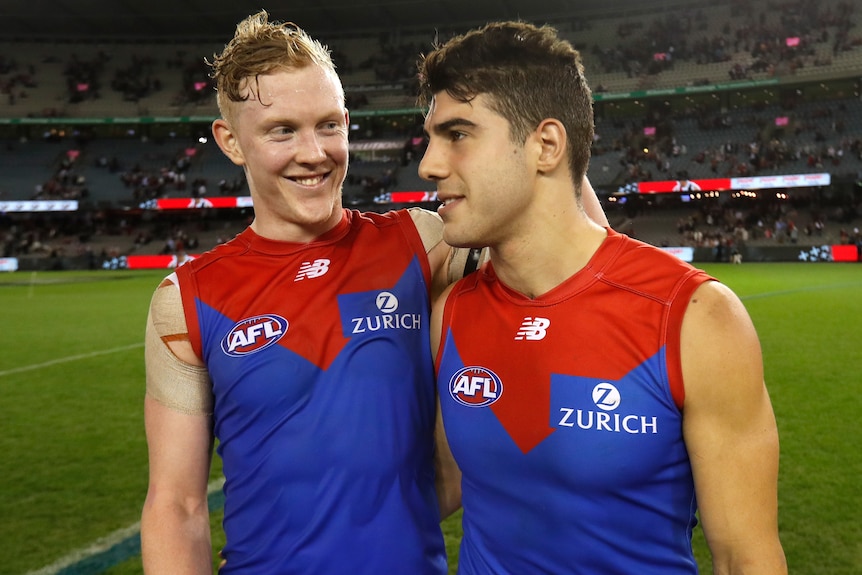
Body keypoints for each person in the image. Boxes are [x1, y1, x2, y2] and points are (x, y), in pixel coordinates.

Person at [139, 10, 609, 574]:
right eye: (282, 130)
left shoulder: (420, 242)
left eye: (329, 125)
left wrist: (535, 125)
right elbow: (178, 505)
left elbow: (577, 252)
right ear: (231, 141)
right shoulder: (188, 299)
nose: (314, 152)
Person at [419, 21, 787, 574]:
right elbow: (444, 484)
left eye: (458, 135)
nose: (429, 164)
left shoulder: (693, 317)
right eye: (430, 138)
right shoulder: (452, 313)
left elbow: (744, 557)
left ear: (545, 145)